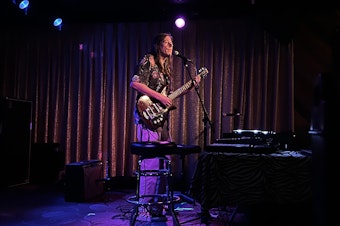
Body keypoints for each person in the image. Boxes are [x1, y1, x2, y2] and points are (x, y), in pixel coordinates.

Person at [130, 32, 201, 221]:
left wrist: (191, 86)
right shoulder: (148, 60)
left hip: (162, 119)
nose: (171, 46)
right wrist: (160, 97)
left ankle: (158, 206)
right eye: (167, 43)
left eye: (172, 43)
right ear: (158, 45)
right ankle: (144, 208)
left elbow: (168, 97)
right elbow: (135, 83)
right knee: (150, 164)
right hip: (148, 118)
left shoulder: (166, 69)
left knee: (164, 163)